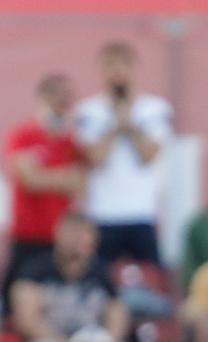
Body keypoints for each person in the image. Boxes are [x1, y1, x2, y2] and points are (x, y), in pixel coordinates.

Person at [11, 212, 142, 342]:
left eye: (82, 235)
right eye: (72, 233)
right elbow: (28, 319)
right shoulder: (36, 270)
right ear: (58, 235)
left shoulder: (101, 273)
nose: (76, 241)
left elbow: (117, 313)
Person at [73, 41, 171, 266]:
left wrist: (130, 124)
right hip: (103, 213)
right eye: (109, 66)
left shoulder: (154, 108)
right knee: (101, 277)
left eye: (122, 65)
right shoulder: (88, 111)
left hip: (141, 211)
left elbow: (148, 155)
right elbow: (96, 158)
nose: (116, 72)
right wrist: (115, 126)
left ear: (133, 68)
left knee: (152, 279)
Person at [5, 74, 87, 288]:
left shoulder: (72, 141)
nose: (61, 103)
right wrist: (62, 178)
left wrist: (44, 176)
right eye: (56, 96)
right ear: (43, 97)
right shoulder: (23, 135)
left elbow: (79, 183)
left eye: (66, 98)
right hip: (27, 235)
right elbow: (29, 180)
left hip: (60, 241)